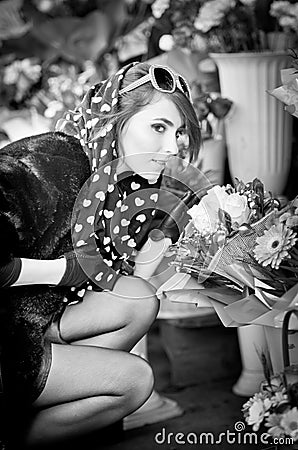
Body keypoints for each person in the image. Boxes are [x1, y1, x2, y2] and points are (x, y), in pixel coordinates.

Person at [0, 61, 201, 447]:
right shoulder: (56, 160)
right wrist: (60, 271)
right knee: (136, 379)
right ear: (115, 120)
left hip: (38, 326)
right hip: (7, 340)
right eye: (158, 127)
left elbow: (128, 281)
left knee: (140, 299)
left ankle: (35, 415)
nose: (172, 147)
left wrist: (162, 228)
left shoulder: (126, 189)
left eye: (178, 133)